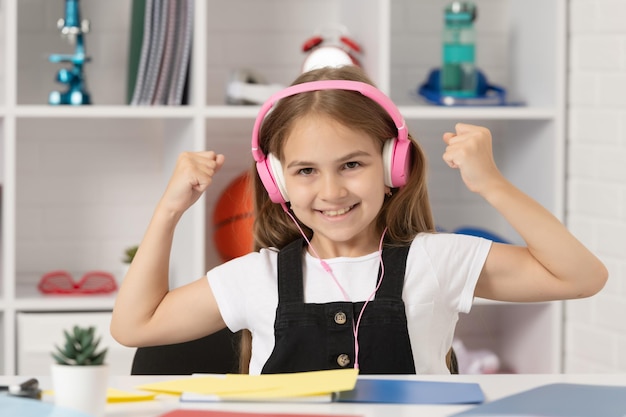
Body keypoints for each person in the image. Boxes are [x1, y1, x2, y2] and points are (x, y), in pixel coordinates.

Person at [111, 66, 607, 375]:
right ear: (279, 183)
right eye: (306, 171)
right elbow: (135, 325)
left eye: (352, 164)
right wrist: (169, 210)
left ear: (394, 165)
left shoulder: (437, 260)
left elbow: (581, 277)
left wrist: (490, 183)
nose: (331, 192)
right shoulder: (255, 277)